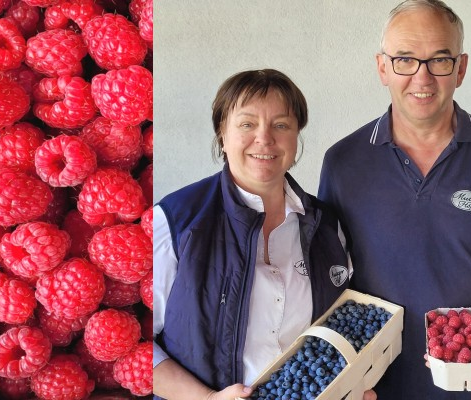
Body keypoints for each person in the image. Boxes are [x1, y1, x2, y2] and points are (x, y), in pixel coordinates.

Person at [318, 1, 471, 399]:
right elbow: (331, 280)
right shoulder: (343, 163)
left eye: (440, 60)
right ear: (382, 68)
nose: (422, 77)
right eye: (405, 59)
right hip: (377, 391)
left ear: (461, 68)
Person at [152, 69, 373, 400]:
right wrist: (206, 398)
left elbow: (341, 331)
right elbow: (135, 344)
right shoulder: (176, 222)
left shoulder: (327, 226)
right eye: (247, 124)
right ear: (222, 133)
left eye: (281, 125)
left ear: (296, 136)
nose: (265, 138)